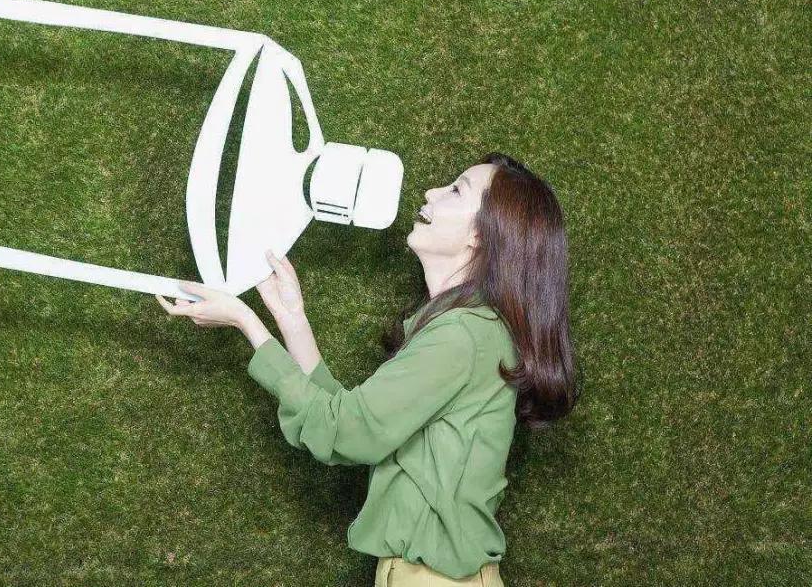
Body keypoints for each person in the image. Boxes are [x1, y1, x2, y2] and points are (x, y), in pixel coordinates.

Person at [156, 152, 579, 586]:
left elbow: (346, 433)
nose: (431, 193)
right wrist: (290, 317)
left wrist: (246, 321)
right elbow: (354, 420)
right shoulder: (467, 328)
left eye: (456, 190)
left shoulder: (463, 336)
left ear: (480, 235)